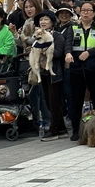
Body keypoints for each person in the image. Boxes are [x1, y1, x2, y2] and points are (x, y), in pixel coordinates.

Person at [65, 1, 95, 139]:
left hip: (94, 68)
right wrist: (68, 53)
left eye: (89, 10)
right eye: (83, 10)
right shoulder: (73, 28)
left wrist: (90, 52)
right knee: (75, 100)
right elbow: (68, 43)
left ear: (94, 12)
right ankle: (77, 130)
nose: (85, 13)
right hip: (76, 68)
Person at [32, 11, 68, 142]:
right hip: (42, 73)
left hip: (55, 73)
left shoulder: (57, 36)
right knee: (48, 101)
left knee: (54, 102)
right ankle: (62, 129)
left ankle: (53, 129)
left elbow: (58, 53)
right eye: (41, 20)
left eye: (46, 19)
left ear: (52, 22)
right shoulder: (37, 37)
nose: (43, 22)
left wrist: (43, 50)